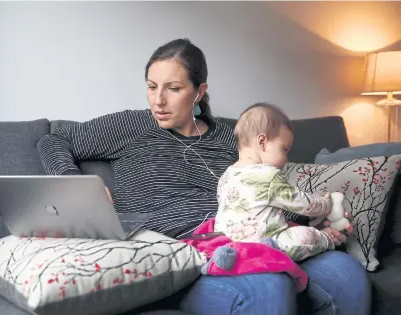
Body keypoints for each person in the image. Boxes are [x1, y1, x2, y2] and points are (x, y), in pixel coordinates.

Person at [37, 38, 371, 315]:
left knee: (348, 275)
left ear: (198, 92)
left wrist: (316, 225)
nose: (158, 100)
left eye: (173, 88)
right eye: (152, 87)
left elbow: (269, 192)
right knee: (270, 283)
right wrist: (80, 185)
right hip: (186, 253)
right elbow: (53, 140)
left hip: (252, 238)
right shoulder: (133, 125)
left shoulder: (230, 138)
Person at [215, 103, 337, 262]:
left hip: (229, 244)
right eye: (284, 149)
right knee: (305, 235)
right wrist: (325, 205)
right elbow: (302, 203)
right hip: (264, 245)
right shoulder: (268, 175)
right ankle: (327, 238)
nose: (286, 158)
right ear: (262, 142)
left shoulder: (227, 175)